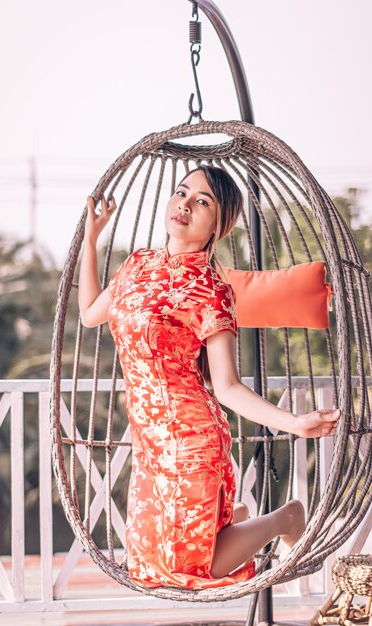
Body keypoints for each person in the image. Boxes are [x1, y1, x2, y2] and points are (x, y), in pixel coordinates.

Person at [78, 165, 341, 590]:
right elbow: (90, 314)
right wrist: (91, 241)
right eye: (181, 193)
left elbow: (228, 386)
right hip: (150, 440)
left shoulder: (210, 289)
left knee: (190, 570)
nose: (184, 205)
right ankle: (230, 520)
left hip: (191, 441)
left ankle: (284, 517)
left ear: (219, 225)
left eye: (202, 202)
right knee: (147, 562)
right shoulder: (137, 264)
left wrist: (294, 423)